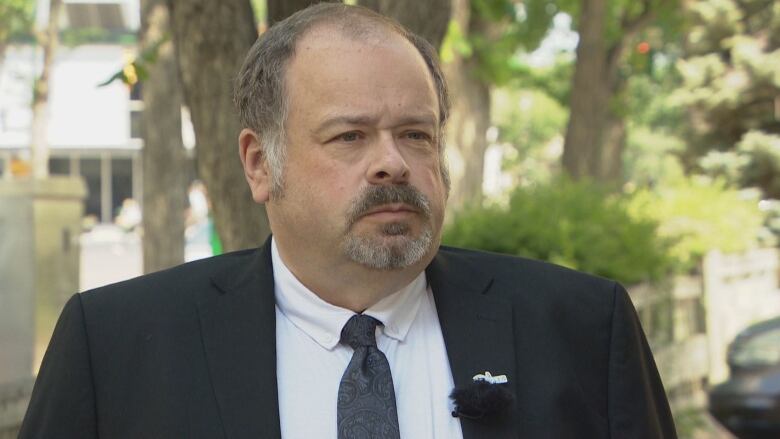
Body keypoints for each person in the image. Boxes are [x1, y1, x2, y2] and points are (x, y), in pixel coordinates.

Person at [19, 4, 676, 438]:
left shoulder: (583, 328)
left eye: (416, 134)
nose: (392, 163)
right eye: (350, 137)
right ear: (259, 163)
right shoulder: (116, 348)